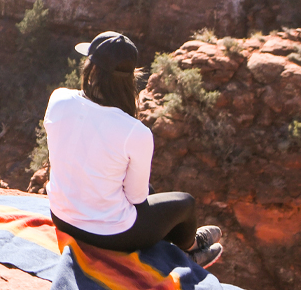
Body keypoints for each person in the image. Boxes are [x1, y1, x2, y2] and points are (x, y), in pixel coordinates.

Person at [44, 30, 224, 268]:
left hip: (61, 217)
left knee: (147, 191)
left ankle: (180, 245)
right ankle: (190, 250)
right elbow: (137, 197)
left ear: (91, 70)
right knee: (185, 204)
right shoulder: (135, 131)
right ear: (129, 79)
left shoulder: (59, 98)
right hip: (108, 236)